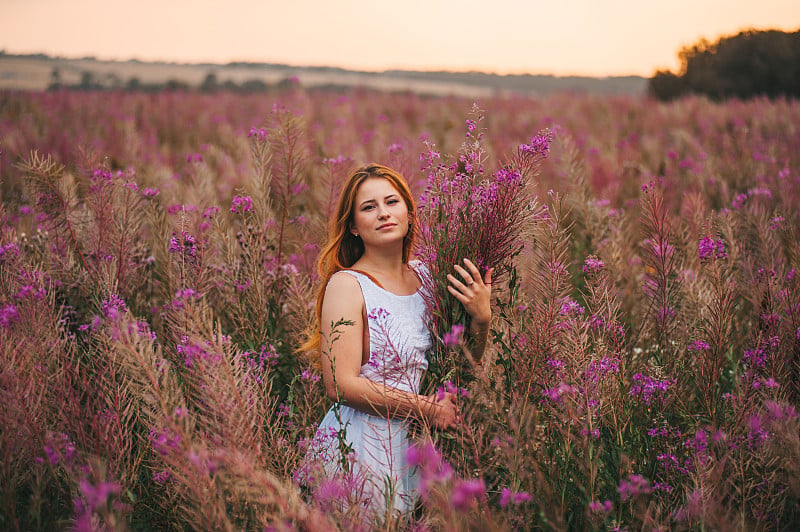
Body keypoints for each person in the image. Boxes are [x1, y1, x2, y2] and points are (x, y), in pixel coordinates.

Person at [300, 163, 493, 515]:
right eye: (369, 207)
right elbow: (340, 385)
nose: (383, 213)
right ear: (354, 227)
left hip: (418, 448)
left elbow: (461, 367)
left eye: (392, 202)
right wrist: (429, 409)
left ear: (408, 212)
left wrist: (481, 319)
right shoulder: (347, 285)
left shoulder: (427, 277)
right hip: (361, 449)